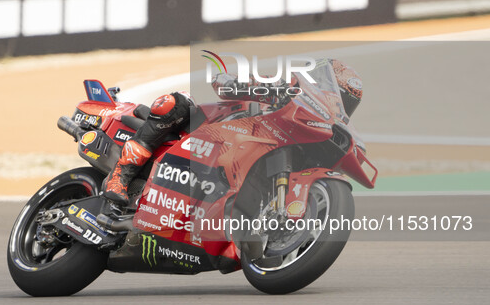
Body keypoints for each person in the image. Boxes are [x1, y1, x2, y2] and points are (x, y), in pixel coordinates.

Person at [102, 60, 362, 206]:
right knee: (177, 102)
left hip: (242, 156)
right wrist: (239, 83)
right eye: (338, 93)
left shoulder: (317, 124)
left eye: (346, 101)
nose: (337, 101)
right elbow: (223, 82)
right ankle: (120, 177)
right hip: (208, 129)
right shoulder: (286, 87)